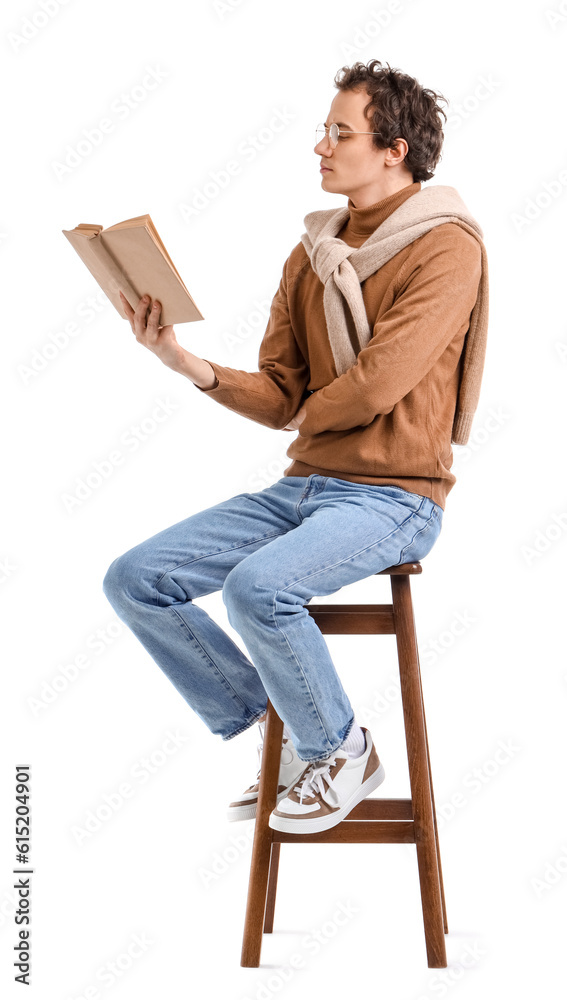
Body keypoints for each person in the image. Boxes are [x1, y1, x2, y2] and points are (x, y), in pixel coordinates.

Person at [103, 58, 488, 836]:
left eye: (338, 132)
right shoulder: (311, 254)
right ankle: (276, 731)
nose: (319, 146)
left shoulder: (447, 249)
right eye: (324, 130)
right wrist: (184, 361)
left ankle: (338, 749)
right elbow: (283, 394)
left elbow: (378, 385)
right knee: (137, 578)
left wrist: (300, 413)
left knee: (255, 587)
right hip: (306, 488)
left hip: (395, 497)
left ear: (394, 151)